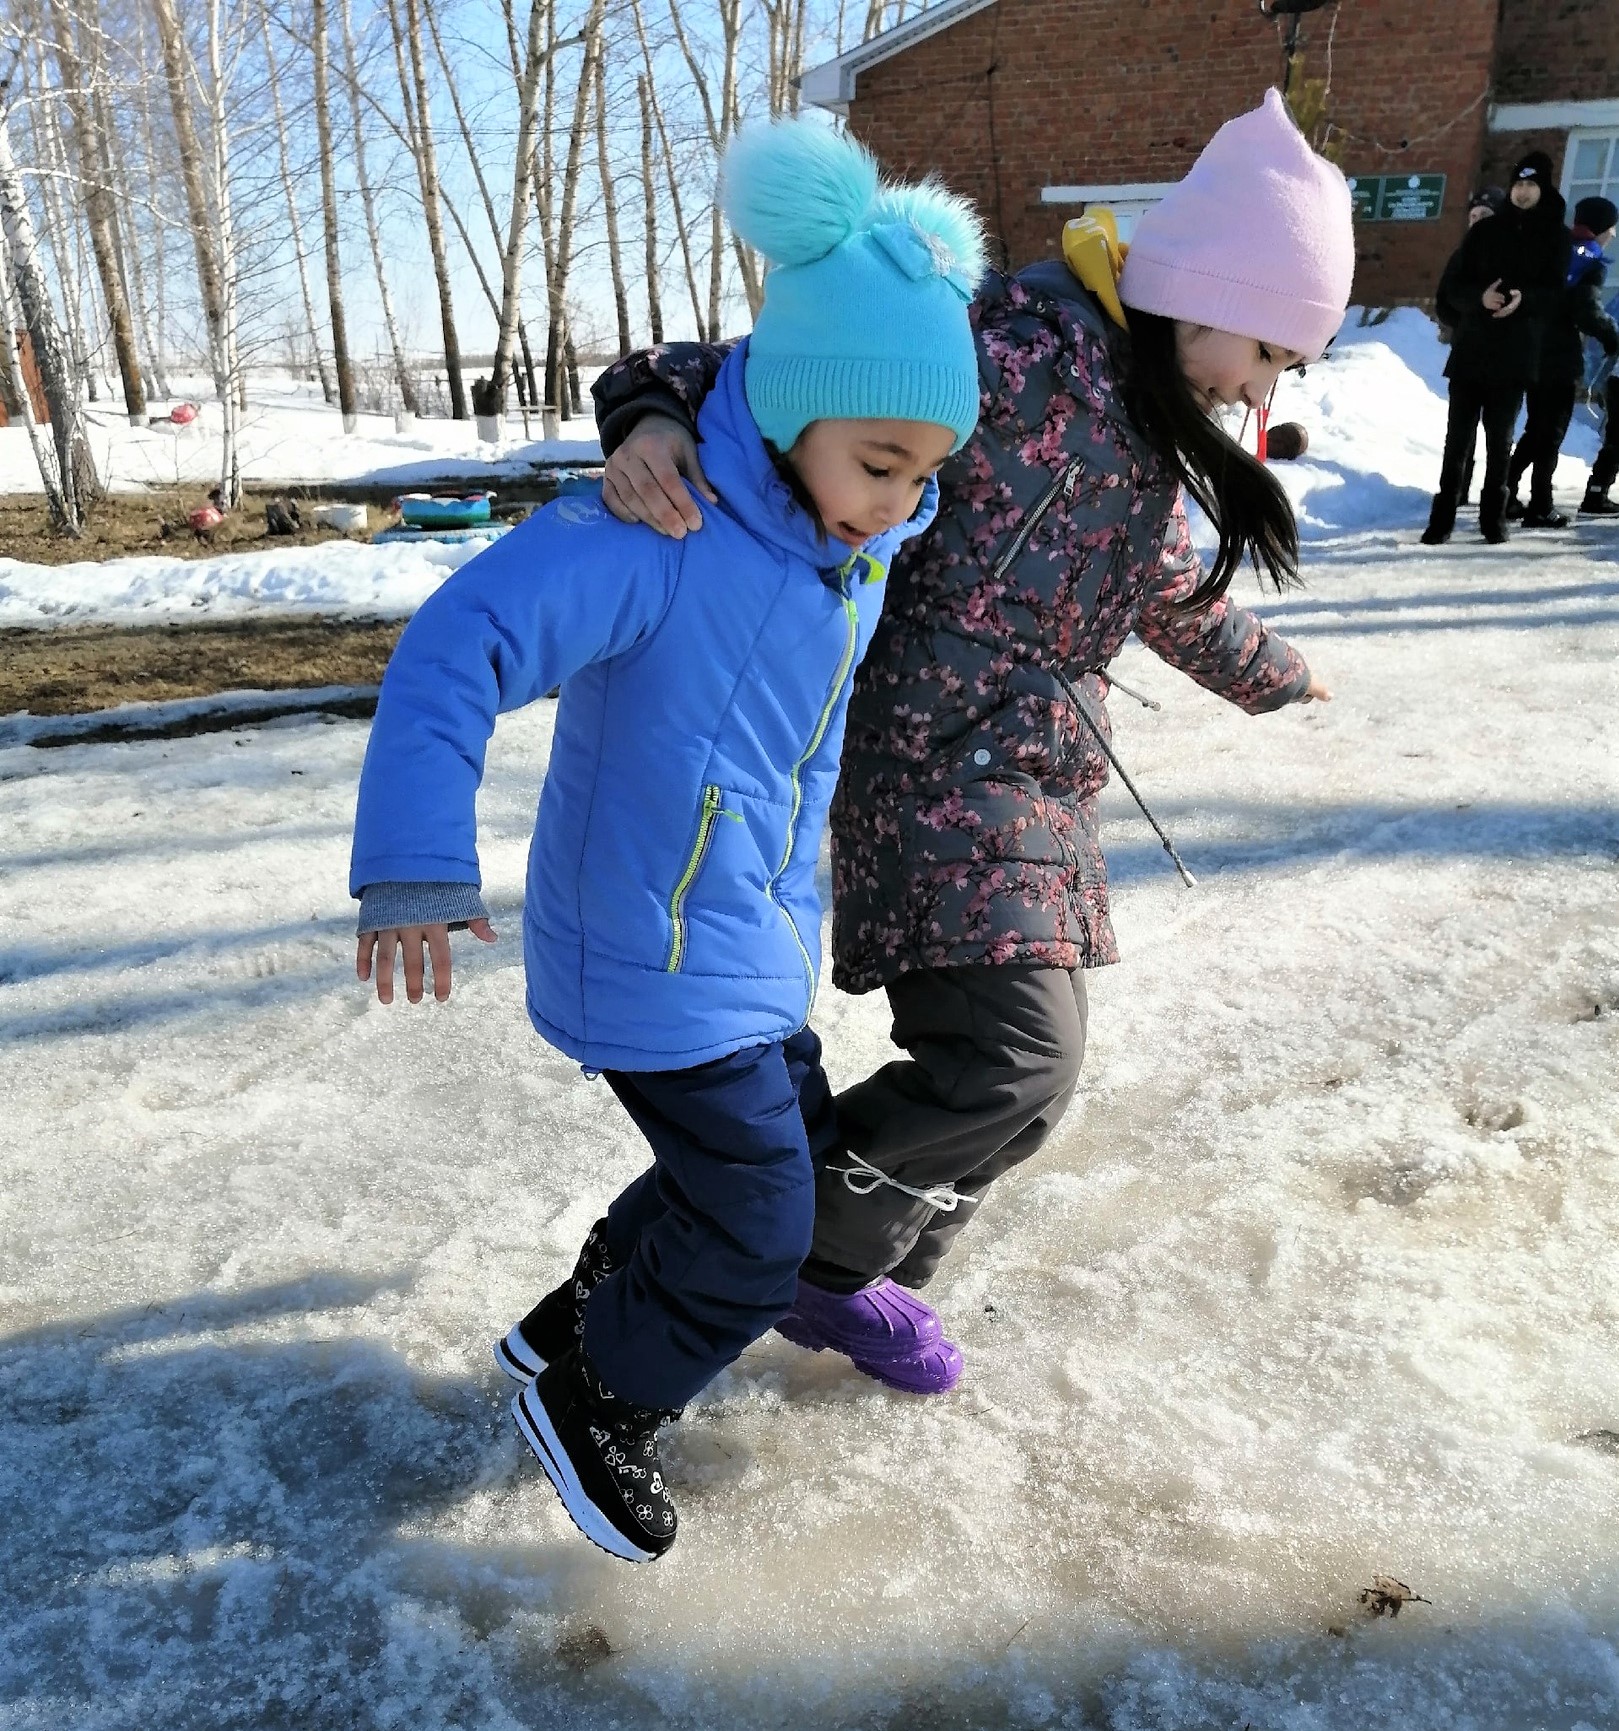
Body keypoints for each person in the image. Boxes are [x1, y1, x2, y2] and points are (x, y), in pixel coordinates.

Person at [590, 91, 1347, 1396]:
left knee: (1028, 1087)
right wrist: (652, 413)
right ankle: (758, 1253)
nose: (1262, 384)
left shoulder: (1148, 415)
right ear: (1200, 284)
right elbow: (774, 372)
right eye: (1268, 347)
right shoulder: (1006, 347)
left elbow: (1162, 578)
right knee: (1012, 1054)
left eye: (1287, 364)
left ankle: (829, 1270)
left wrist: (1272, 674)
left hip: (1034, 770)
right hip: (927, 763)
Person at [348, 120, 987, 1563]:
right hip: (644, 944)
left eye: (922, 472)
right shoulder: (661, 525)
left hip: (740, 936)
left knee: (760, 1169)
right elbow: (459, 640)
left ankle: (560, 1325)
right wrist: (411, 861)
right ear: (786, 414)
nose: (899, 504)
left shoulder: (844, 545)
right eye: (879, 461)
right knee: (759, 1224)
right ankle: (597, 1400)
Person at [1423, 152, 1569, 545]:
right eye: (1518, 185)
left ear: (1544, 188)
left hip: (1515, 355)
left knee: (1499, 440)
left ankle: (1494, 517)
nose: (1522, 192)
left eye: (1531, 185)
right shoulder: (1484, 232)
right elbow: (1452, 290)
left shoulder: (1555, 235)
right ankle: (1443, 518)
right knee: (1457, 439)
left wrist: (1526, 300)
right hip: (1471, 352)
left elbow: (1556, 294)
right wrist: (1479, 299)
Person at [1505, 193, 1619, 526]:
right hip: (1561, 356)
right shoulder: (1592, 261)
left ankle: (1504, 492)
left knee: (1534, 430)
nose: (1612, 235)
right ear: (1601, 228)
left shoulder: (1556, 250)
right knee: (1551, 433)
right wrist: (1613, 339)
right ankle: (1541, 505)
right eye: (1611, 228)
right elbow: (1585, 310)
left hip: (1532, 350)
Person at [1436, 187, 1505, 504]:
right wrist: (1474, 311)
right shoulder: (1461, 256)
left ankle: (1499, 494)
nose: (1477, 221)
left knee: (1499, 433)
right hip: (1466, 356)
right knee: (1459, 432)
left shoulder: (1514, 254)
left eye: (1485, 216)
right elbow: (1446, 301)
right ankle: (1454, 489)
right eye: (1473, 216)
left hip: (1505, 358)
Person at [1571, 196, 1619, 517]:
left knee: (1616, 438)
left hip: (1615, 376)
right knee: (1616, 439)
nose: (1613, 235)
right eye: (1611, 228)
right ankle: (1596, 494)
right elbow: (1606, 323)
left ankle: (1596, 493)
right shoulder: (1586, 256)